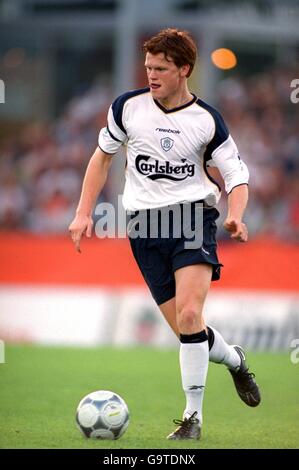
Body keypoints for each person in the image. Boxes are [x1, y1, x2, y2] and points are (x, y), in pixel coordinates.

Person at [69, 28, 261, 441]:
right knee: (187, 333)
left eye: (160, 68)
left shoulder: (206, 120)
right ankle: (234, 360)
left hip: (192, 218)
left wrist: (237, 215)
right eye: (148, 67)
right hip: (143, 225)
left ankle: (192, 420)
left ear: (184, 69)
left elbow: (236, 175)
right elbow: (101, 159)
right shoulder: (127, 108)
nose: (151, 75)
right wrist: (84, 212)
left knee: (191, 316)